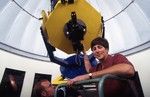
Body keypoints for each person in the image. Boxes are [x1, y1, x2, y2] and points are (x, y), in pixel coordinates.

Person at [67, 37, 135, 97]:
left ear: (107, 49)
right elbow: (88, 70)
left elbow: (129, 69)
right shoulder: (98, 67)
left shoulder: (116, 57)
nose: (97, 50)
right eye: (94, 49)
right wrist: (84, 53)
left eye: (100, 47)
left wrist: (89, 75)